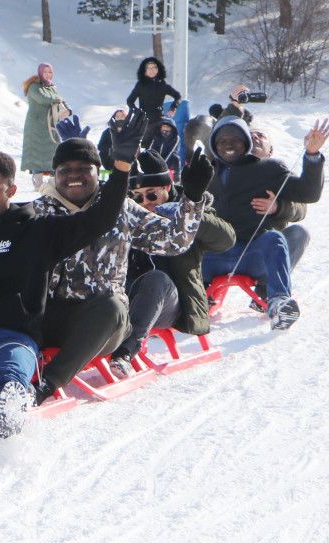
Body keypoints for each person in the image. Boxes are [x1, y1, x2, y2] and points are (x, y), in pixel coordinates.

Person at [0, 132, 132, 445]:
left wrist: (120, 169)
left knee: (12, 377)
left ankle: (10, 422)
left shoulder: (37, 232)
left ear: (11, 190)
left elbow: (97, 220)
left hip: (13, 339)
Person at [27, 118, 202, 401]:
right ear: (54, 174)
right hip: (51, 316)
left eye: (84, 169)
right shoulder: (38, 212)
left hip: (102, 322)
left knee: (112, 307)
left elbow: (175, 240)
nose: (74, 176)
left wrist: (192, 198)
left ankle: (46, 385)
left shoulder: (121, 208)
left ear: (98, 172)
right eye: (65, 170)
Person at [107, 149, 227, 376]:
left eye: (151, 195)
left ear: (167, 188)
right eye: (137, 197)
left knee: (156, 280)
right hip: (128, 295)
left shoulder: (188, 208)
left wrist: (189, 211)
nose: (145, 202)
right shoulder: (129, 214)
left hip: (172, 300)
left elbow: (225, 239)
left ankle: (126, 351)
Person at [202, 116, 327, 329]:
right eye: (222, 141)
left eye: (237, 139)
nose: (229, 144)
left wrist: (312, 155)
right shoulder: (208, 173)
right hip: (213, 257)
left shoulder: (270, 168)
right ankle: (189, 302)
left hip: (255, 254)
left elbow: (307, 194)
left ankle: (277, 301)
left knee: (277, 237)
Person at [248, 128, 312, 297]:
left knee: (299, 233)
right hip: (231, 246)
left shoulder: (279, 173)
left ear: (270, 150)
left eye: (260, 135)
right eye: (250, 135)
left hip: (268, 249)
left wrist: (278, 207)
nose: (254, 137)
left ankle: (267, 292)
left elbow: (301, 208)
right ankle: (204, 292)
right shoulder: (229, 170)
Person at [21, 63, 71, 188]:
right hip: (36, 125)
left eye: (50, 72)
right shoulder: (34, 87)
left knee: (54, 150)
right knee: (37, 151)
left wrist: (68, 110)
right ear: (40, 73)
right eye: (45, 72)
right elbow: (43, 99)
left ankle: (54, 180)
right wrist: (57, 99)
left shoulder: (52, 87)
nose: (48, 74)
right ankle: (38, 181)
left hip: (50, 124)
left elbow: (60, 100)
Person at [126, 57, 182, 127]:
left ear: (158, 70)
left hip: (159, 119)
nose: (152, 70)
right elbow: (130, 101)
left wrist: (173, 108)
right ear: (145, 71)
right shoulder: (140, 84)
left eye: (154, 68)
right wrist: (137, 112)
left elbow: (178, 96)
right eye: (149, 68)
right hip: (143, 121)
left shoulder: (162, 84)